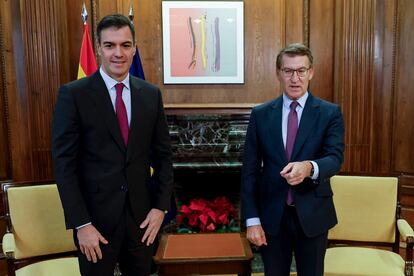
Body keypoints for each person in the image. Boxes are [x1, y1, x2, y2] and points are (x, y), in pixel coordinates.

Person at [52, 14, 173, 276]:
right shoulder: (74, 94)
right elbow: (64, 167)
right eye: (110, 45)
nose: (118, 53)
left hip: (142, 223)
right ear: (98, 48)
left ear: (134, 48)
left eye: (125, 45)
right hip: (94, 225)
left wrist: (160, 208)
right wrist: (81, 224)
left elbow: (164, 157)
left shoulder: (150, 95)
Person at [241, 43, 344, 276]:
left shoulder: (329, 113)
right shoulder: (260, 114)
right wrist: (252, 220)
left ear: (311, 72)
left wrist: (309, 167)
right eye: (288, 71)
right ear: (279, 73)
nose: (294, 78)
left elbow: (335, 158)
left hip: (313, 215)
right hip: (272, 218)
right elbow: (249, 171)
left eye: (301, 70)